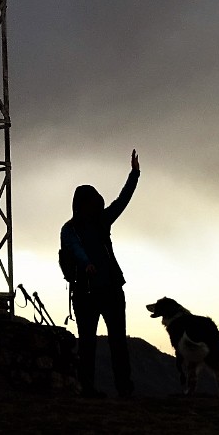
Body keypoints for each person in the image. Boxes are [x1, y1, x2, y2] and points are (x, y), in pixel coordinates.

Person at [61, 150, 141, 398]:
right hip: (95, 290)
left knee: (94, 342)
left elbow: (121, 201)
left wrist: (134, 175)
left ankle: (104, 388)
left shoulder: (84, 224)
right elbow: (75, 248)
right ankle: (116, 389)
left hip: (96, 291)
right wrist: (87, 264)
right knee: (103, 342)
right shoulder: (79, 227)